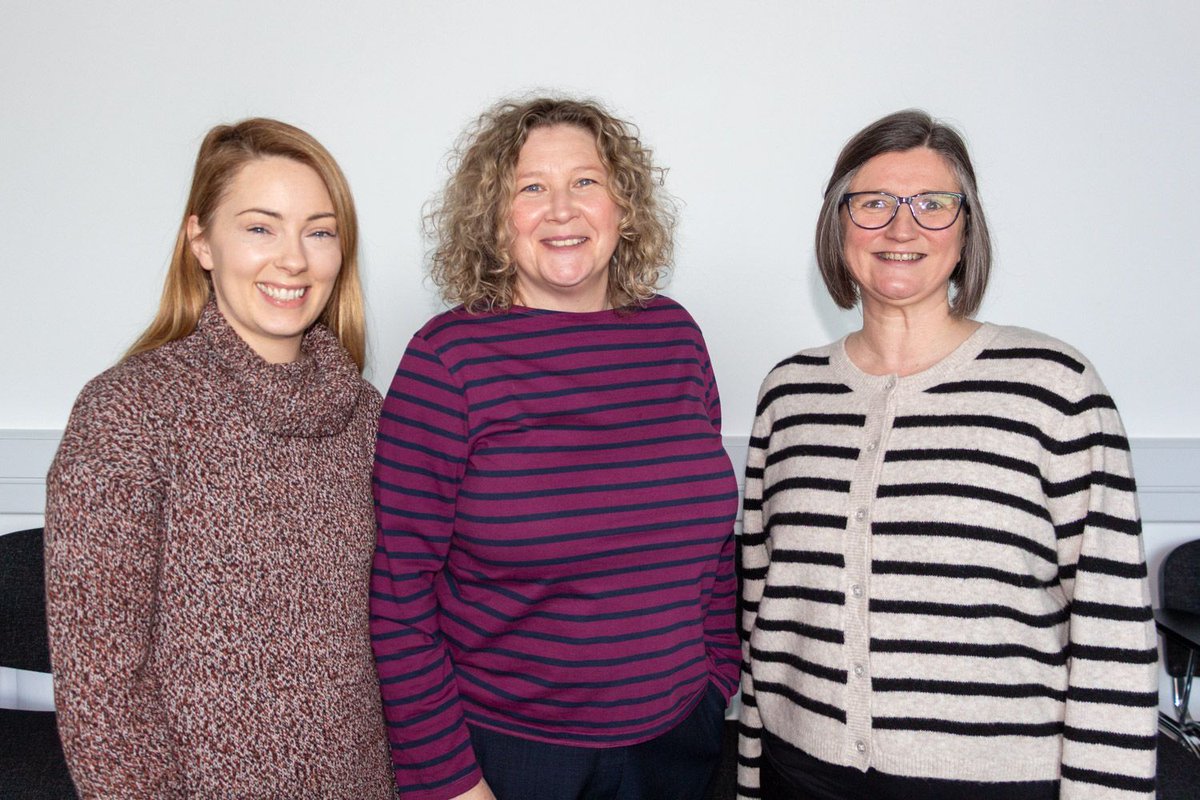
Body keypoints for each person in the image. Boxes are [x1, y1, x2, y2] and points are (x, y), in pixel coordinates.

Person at [737, 110, 1158, 800]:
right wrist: (752, 779)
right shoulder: (789, 394)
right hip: (802, 774)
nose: (902, 229)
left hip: (991, 783)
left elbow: (1112, 637)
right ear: (837, 225)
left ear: (967, 231)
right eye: (872, 203)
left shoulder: (1054, 389)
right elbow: (765, 617)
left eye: (934, 205)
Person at [371, 97, 739, 800]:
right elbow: (399, 593)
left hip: (677, 744)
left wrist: (718, 672)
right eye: (530, 187)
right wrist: (449, 780)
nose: (561, 209)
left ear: (622, 206)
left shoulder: (675, 338)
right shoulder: (448, 361)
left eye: (586, 182)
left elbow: (714, 540)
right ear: (493, 217)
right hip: (511, 758)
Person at [44, 118, 393, 798]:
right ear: (201, 241)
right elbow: (100, 687)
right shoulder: (130, 410)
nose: (293, 259)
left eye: (319, 231)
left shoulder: (369, 417)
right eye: (260, 227)